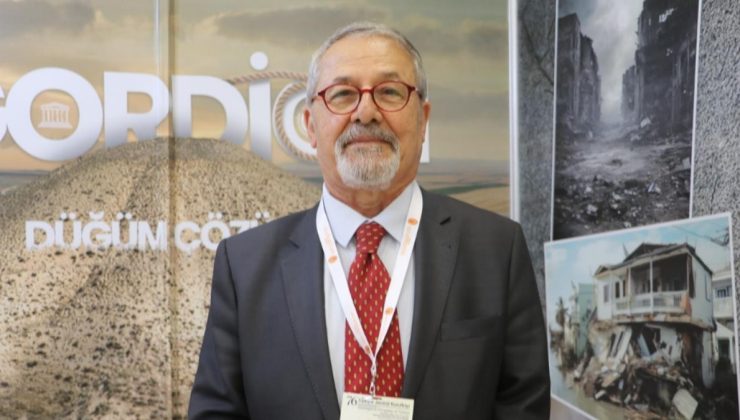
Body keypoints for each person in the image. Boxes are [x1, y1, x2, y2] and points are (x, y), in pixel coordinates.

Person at [189, 21, 550, 419]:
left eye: (390, 92)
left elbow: (523, 408)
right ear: (310, 126)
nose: (366, 112)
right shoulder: (244, 266)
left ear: (423, 119)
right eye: (343, 94)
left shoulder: (497, 251)